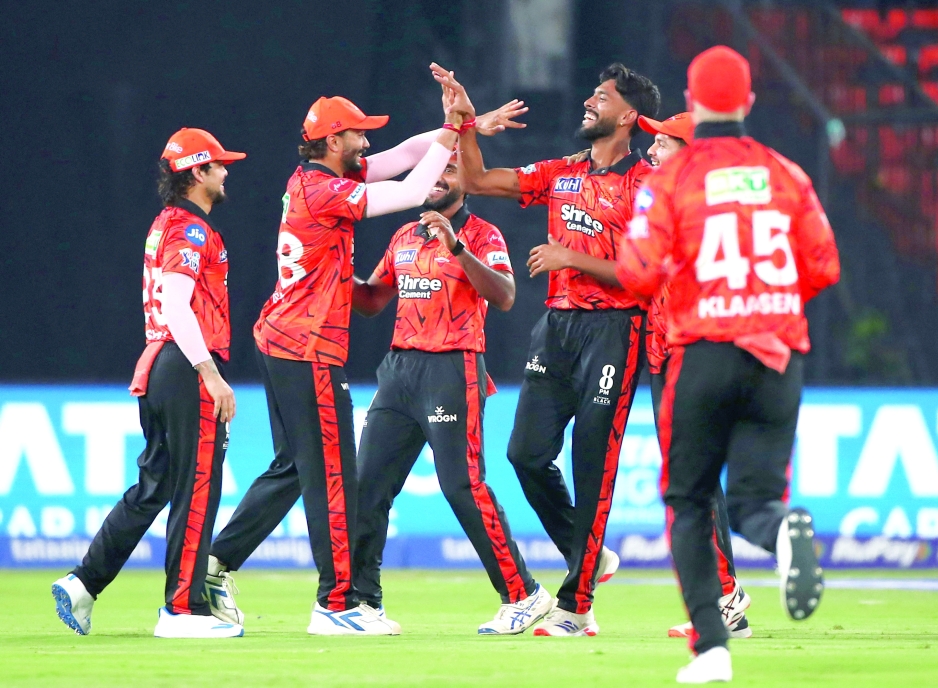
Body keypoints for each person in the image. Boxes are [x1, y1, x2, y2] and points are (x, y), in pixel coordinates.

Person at [205, 71, 524, 636]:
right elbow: (409, 189)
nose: (367, 141)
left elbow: (406, 154)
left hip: (282, 337)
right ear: (333, 140)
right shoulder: (327, 191)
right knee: (333, 475)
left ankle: (215, 565)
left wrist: (464, 125)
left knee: (293, 467)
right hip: (308, 344)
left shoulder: (317, 178)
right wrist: (456, 129)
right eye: (357, 133)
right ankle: (337, 604)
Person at [616, 46, 840, 683]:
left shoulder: (670, 181)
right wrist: (766, 301)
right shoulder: (786, 174)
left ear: (692, 102)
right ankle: (781, 531)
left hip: (704, 354)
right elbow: (824, 266)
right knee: (754, 501)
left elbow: (637, 273)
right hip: (777, 356)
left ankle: (712, 650)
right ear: (748, 102)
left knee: (688, 502)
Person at [437, 62, 660, 636]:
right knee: (525, 454)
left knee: (592, 466)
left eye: (602, 97)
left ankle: (576, 607)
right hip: (557, 328)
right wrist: (464, 123)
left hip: (616, 330)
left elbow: (646, 275)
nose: (589, 101)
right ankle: (588, 555)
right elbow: (478, 180)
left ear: (628, 116)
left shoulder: (646, 185)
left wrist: (570, 258)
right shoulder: (562, 171)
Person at [52, 128, 247, 639]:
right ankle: (183, 610)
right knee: (197, 486)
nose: (226, 171)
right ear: (197, 172)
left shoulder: (165, 223)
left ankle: (84, 582)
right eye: (218, 164)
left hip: (162, 363)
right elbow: (176, 304)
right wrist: (210, 373)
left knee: (155, 485)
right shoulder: (190, 229)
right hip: (186, 366)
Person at [350, 154, 552, 635]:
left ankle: (523, 594)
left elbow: (505, 296)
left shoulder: (483, 234)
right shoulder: (404, 235)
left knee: (462, 486)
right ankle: (363, 601)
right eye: (433, 170)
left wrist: (456, 247)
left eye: (449, 171)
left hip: (452, 367)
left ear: (466, 183)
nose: (438, 178)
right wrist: (333, 273)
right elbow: (373, 300)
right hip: (399, 371)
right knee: (367, 485)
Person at [641, 112, 752, 641]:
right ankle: (724, 599)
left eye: (662, 144)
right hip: (668, 353)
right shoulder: (673, 200)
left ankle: (725, 596)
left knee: (694, 479)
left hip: (693, 352)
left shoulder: (705, 207)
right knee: (693, 479)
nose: (652, 151)